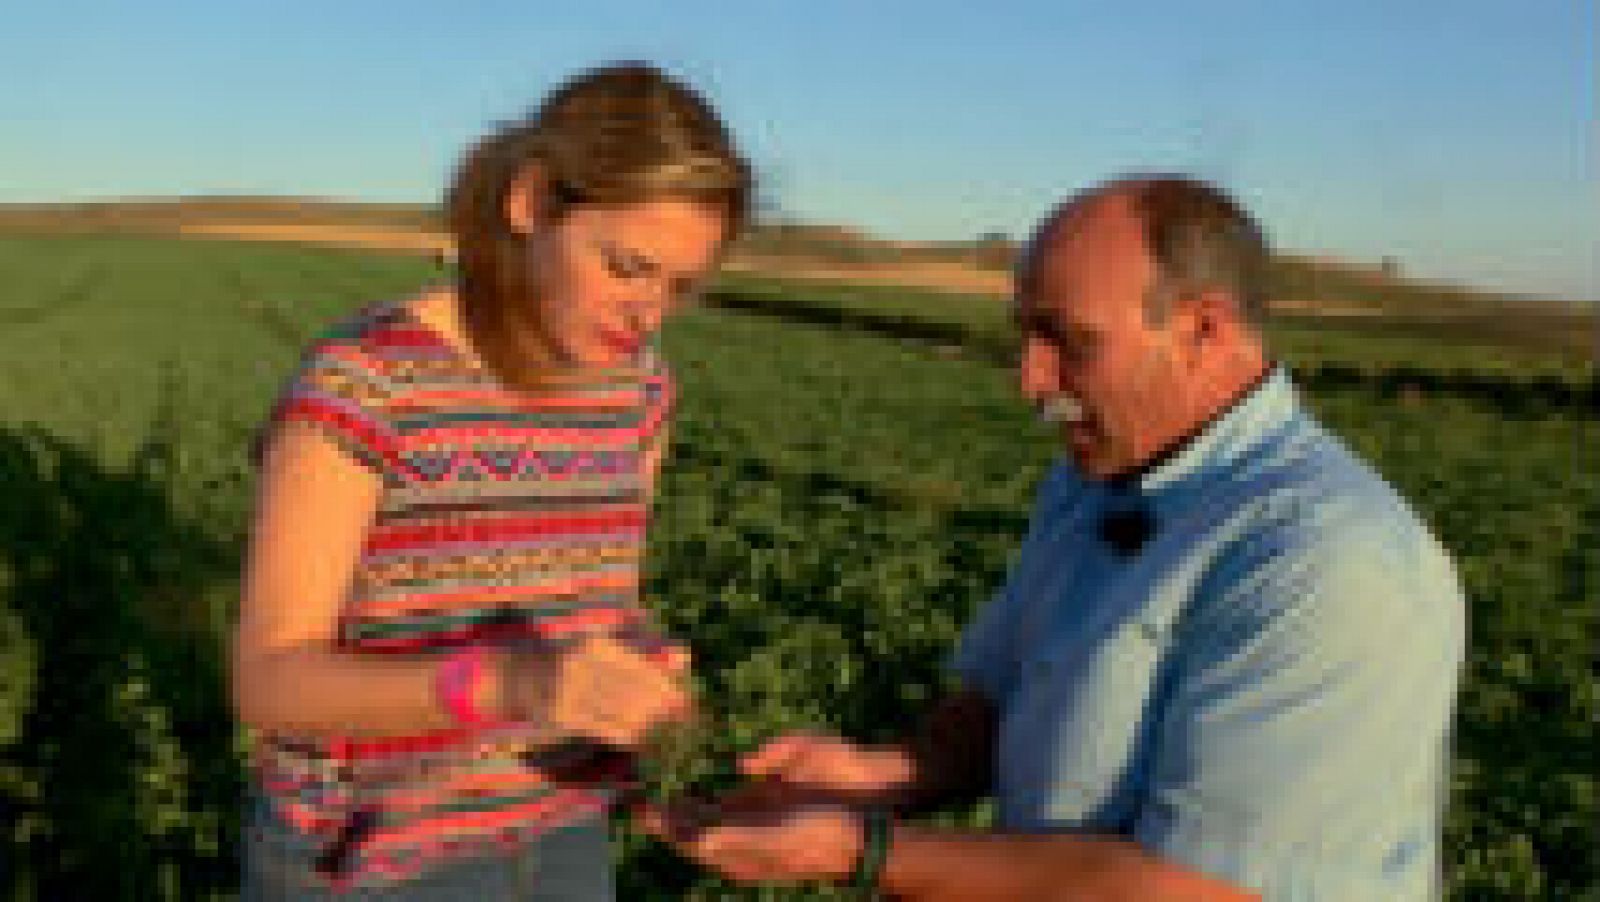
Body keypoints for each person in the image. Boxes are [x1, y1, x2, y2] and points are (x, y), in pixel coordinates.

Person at [646, 175, 1466, 900]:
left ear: (1203, 331)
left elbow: (1198, 890)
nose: (1031, 381)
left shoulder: (1326, 562)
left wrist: (865, 853)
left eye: (1070, 342)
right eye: (1024, 336)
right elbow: (1010, 697)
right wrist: (879, 777)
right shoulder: (1095, 479)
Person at [232, 61, 752, 898]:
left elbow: (593, 601)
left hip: (563, 830)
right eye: (626, 266)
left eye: (679, 286)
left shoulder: (642, 391)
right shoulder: (368, 383)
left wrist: (633, 663)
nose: (649, 312)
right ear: (532, 202)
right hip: (373, 859)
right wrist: (518, 680)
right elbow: (271, 682)